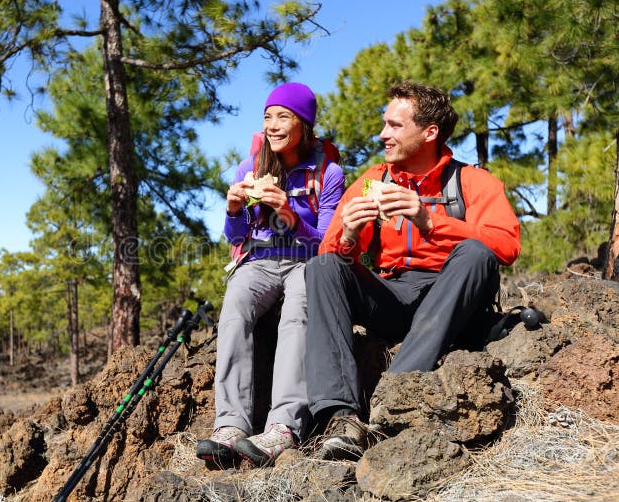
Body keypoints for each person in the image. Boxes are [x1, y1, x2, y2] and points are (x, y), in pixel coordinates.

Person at [305, 80, 521, 460]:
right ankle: (342, 417)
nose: (382, 133)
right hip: (394, 295)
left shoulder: (471, 181)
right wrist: (350, 234)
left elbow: (505, 246)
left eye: (394, 125)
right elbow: (334, 258)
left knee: (475, 252)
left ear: (429, 132)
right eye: (384, 124)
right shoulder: (375, 180)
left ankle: (392, 399)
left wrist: (429, 220)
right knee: (323, 265)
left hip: (452, 298)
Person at [195, 83, 344, 467]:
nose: (273, 125)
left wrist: (291, 218)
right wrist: (232, 210)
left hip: (304, 260)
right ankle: (230, 425)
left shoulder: (327, 172)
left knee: (298, 313)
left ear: (304, 124)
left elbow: (328, 241)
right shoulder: (250, 168)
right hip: (258, 260)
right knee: (234, 309)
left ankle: (283, 426)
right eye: (267, 117)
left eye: (283, 116)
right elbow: (236, 237)